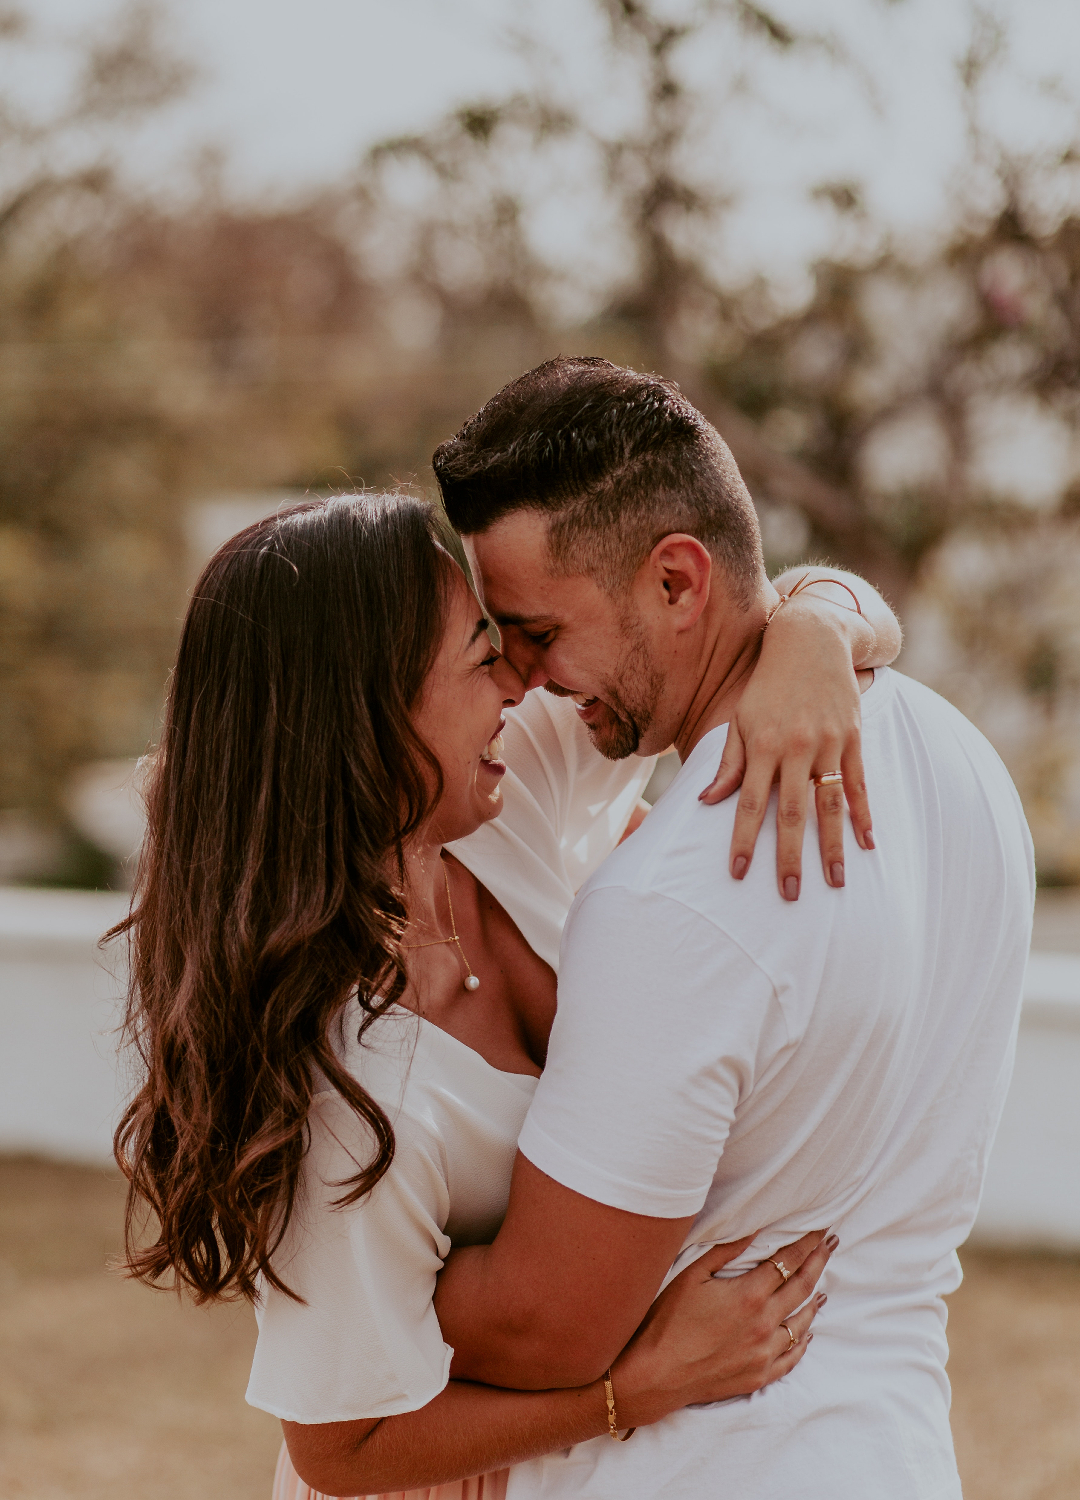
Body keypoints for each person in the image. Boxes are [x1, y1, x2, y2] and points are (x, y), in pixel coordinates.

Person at [112, 490, 901, 1500]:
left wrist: (813, 632)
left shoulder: (504, 788)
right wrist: (635, 1390)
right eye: (483, 659)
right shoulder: (347, 1096)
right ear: (371, 714)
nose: (522, 682)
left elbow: (720, 615)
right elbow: (336, 1448)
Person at [416, 355, 1036, 1500]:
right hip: (893, 1452)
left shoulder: (677, 896)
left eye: (540, 631)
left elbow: (547, 1331)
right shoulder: (955, 754)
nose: (527, 678)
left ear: (678, 581)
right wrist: (820, 612)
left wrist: (321, 1260)